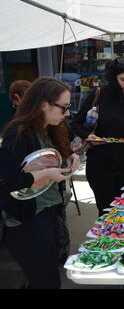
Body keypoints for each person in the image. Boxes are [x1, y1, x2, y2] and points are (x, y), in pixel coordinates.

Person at [0, 77, 80, 289]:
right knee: (47, 282)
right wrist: (44, 175)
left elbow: (56, 156)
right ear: (44, 104)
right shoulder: (17, 134)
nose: (67, 113)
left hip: (48, 212)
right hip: (27, 221)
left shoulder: (51, 128)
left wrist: (71, 158)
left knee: (47, 276)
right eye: (64, 108)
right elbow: (5, 181)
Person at [71, 56, 124, 216]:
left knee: (123, 210)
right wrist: (89, 137)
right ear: (114, 77)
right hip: (99, 165)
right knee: (106, 211)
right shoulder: (99, 94)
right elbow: (76, 123)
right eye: (123, 79)